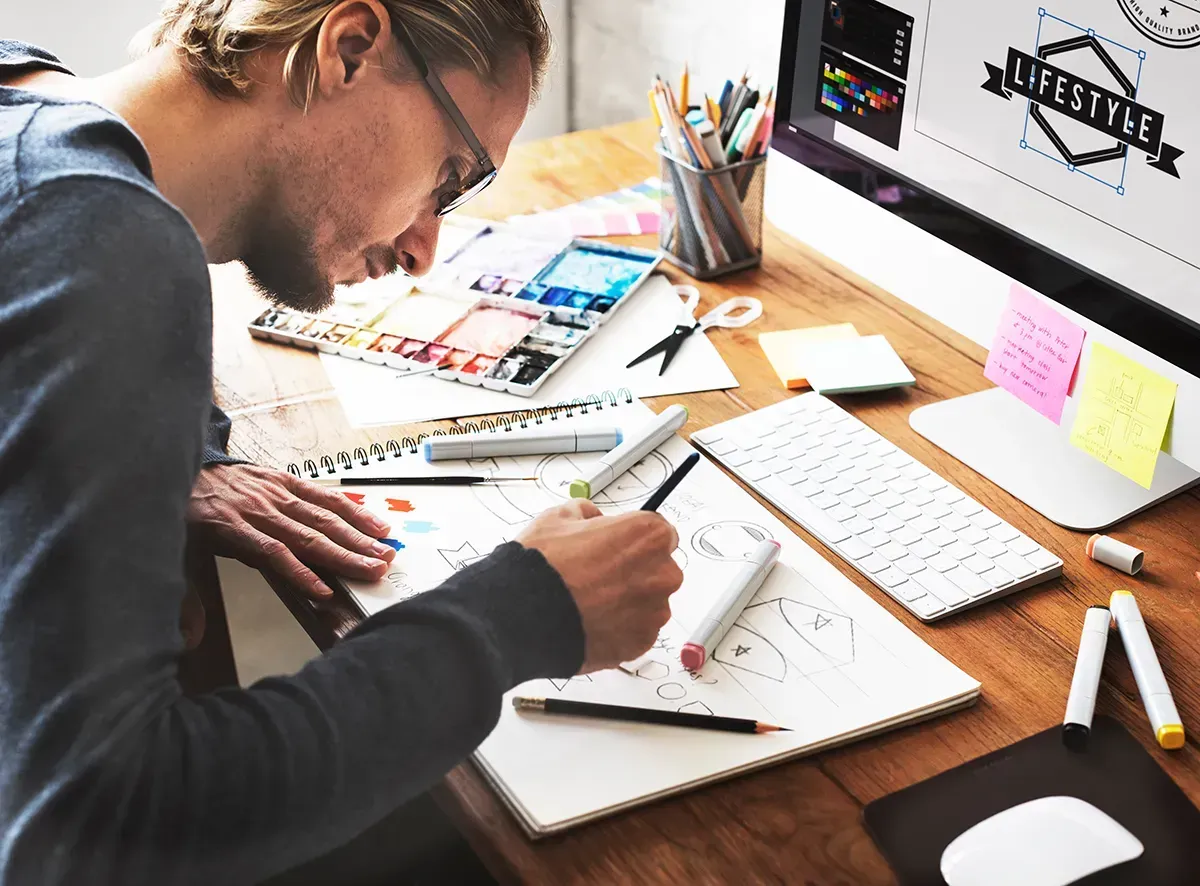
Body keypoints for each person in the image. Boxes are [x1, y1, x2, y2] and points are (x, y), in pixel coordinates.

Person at [0, 1, 684, 884]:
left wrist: (165, 450)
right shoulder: (96, 238)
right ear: (350, 49)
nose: (425, 246)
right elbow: (96, 827)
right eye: (452, 174)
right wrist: (523, 614)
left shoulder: (26, 98)